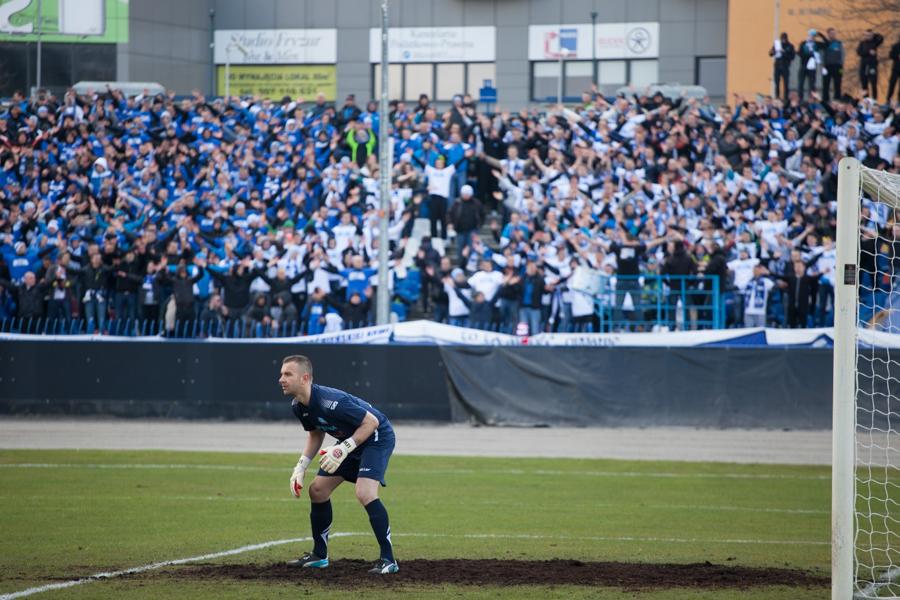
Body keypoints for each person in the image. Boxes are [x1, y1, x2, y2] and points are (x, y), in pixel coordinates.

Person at [278, 355, 399, 574]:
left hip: (376, 436)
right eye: (281, 374)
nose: (281, 379)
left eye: (288, 374)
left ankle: (389, 560)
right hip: (350, 441)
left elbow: (371, 422)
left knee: (364, 493)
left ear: (305, 378)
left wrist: (343, 448)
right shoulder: (298, 406)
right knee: (317, 490)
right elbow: (316, 434)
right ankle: (319, 556)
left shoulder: (330, 401)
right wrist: (301, 466)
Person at [817, 28, 844, 103]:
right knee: (826, 83)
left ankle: (837, 99)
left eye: (834, 33)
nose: (833, 35)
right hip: (827, 66)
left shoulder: (839, 43)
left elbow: (842, 54)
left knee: (838, 83)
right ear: (828, 34)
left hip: (838, 66)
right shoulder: (825, 44)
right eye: (831, 33)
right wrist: (822, 65)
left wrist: (841, 64)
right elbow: (821, 54)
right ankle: (826, 100)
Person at [857, 29, 884, 100]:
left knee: (873, 84)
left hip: (872, 66)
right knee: (864, 85)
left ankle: (874, 100)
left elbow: (881, 38)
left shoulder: (875, 42)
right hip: (863, 66)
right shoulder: (862, 43)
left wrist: (874, 34)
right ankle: (866, 100)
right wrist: (868, 52)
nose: (868, 36)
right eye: (866, 35)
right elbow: (859, 52)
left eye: (869, 35)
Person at [770, 32, 796, 101]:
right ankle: (777, 96)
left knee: (786, 83)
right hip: (777, 66)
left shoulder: (790, 46)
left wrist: (783, 52)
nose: (783, 40)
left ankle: (786, 98)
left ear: (787, 39)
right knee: (777, 82)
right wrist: (773, 51)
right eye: (782, 39)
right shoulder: (777, 45)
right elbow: (771, 54)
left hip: (785, 66)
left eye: (784, 39)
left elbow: (792, 57)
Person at [888, 35, 900, 103]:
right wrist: (897, 56)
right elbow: (890, 55)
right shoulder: (895, 46)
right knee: (892, 84)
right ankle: (889, 100)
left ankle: (899, 101)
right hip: (895, 68)